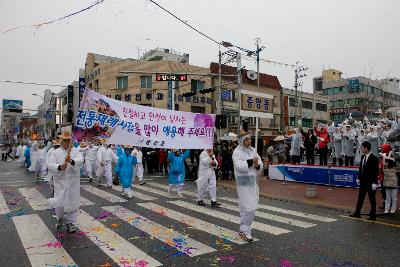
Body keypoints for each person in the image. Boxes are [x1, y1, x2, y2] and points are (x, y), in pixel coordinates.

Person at [47, 131, 84, 233]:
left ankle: (70, 223)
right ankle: (59, 219)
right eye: (65, 140)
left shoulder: (75, 151)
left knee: (73, 202)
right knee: (60, 202)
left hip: (73, 181)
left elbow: (81, 159)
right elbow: (50, 164)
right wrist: (59, 167)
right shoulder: (55, 152)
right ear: (61, 141)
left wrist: (72, 161)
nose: (67, 143)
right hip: (61, 182)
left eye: (68, 140)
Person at [232, 130, 263, 242]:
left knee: (249, 207)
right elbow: (240, 166)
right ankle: (245, 230)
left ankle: (243, 229)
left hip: (253, 182)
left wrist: (257, 164)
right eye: (247, 139)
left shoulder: (253, 150)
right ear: (241, 141)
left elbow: (260, 163)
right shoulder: (237, 152)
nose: (249, 141)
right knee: (249, 207)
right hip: (244, 183)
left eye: (250, 139)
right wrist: (251, 161)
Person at [350, 141, 379, 221]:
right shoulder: (362, 157)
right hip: (363, 181)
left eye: (362, 147)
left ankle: (373, 215)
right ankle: (357, 213)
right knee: (360, 198)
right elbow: (361, 169)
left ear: (366, 148)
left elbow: (375, 171)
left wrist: (374, 182)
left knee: (372, 199)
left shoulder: (374, 158)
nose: (361, 148)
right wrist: (358, 178)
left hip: (370, 182)